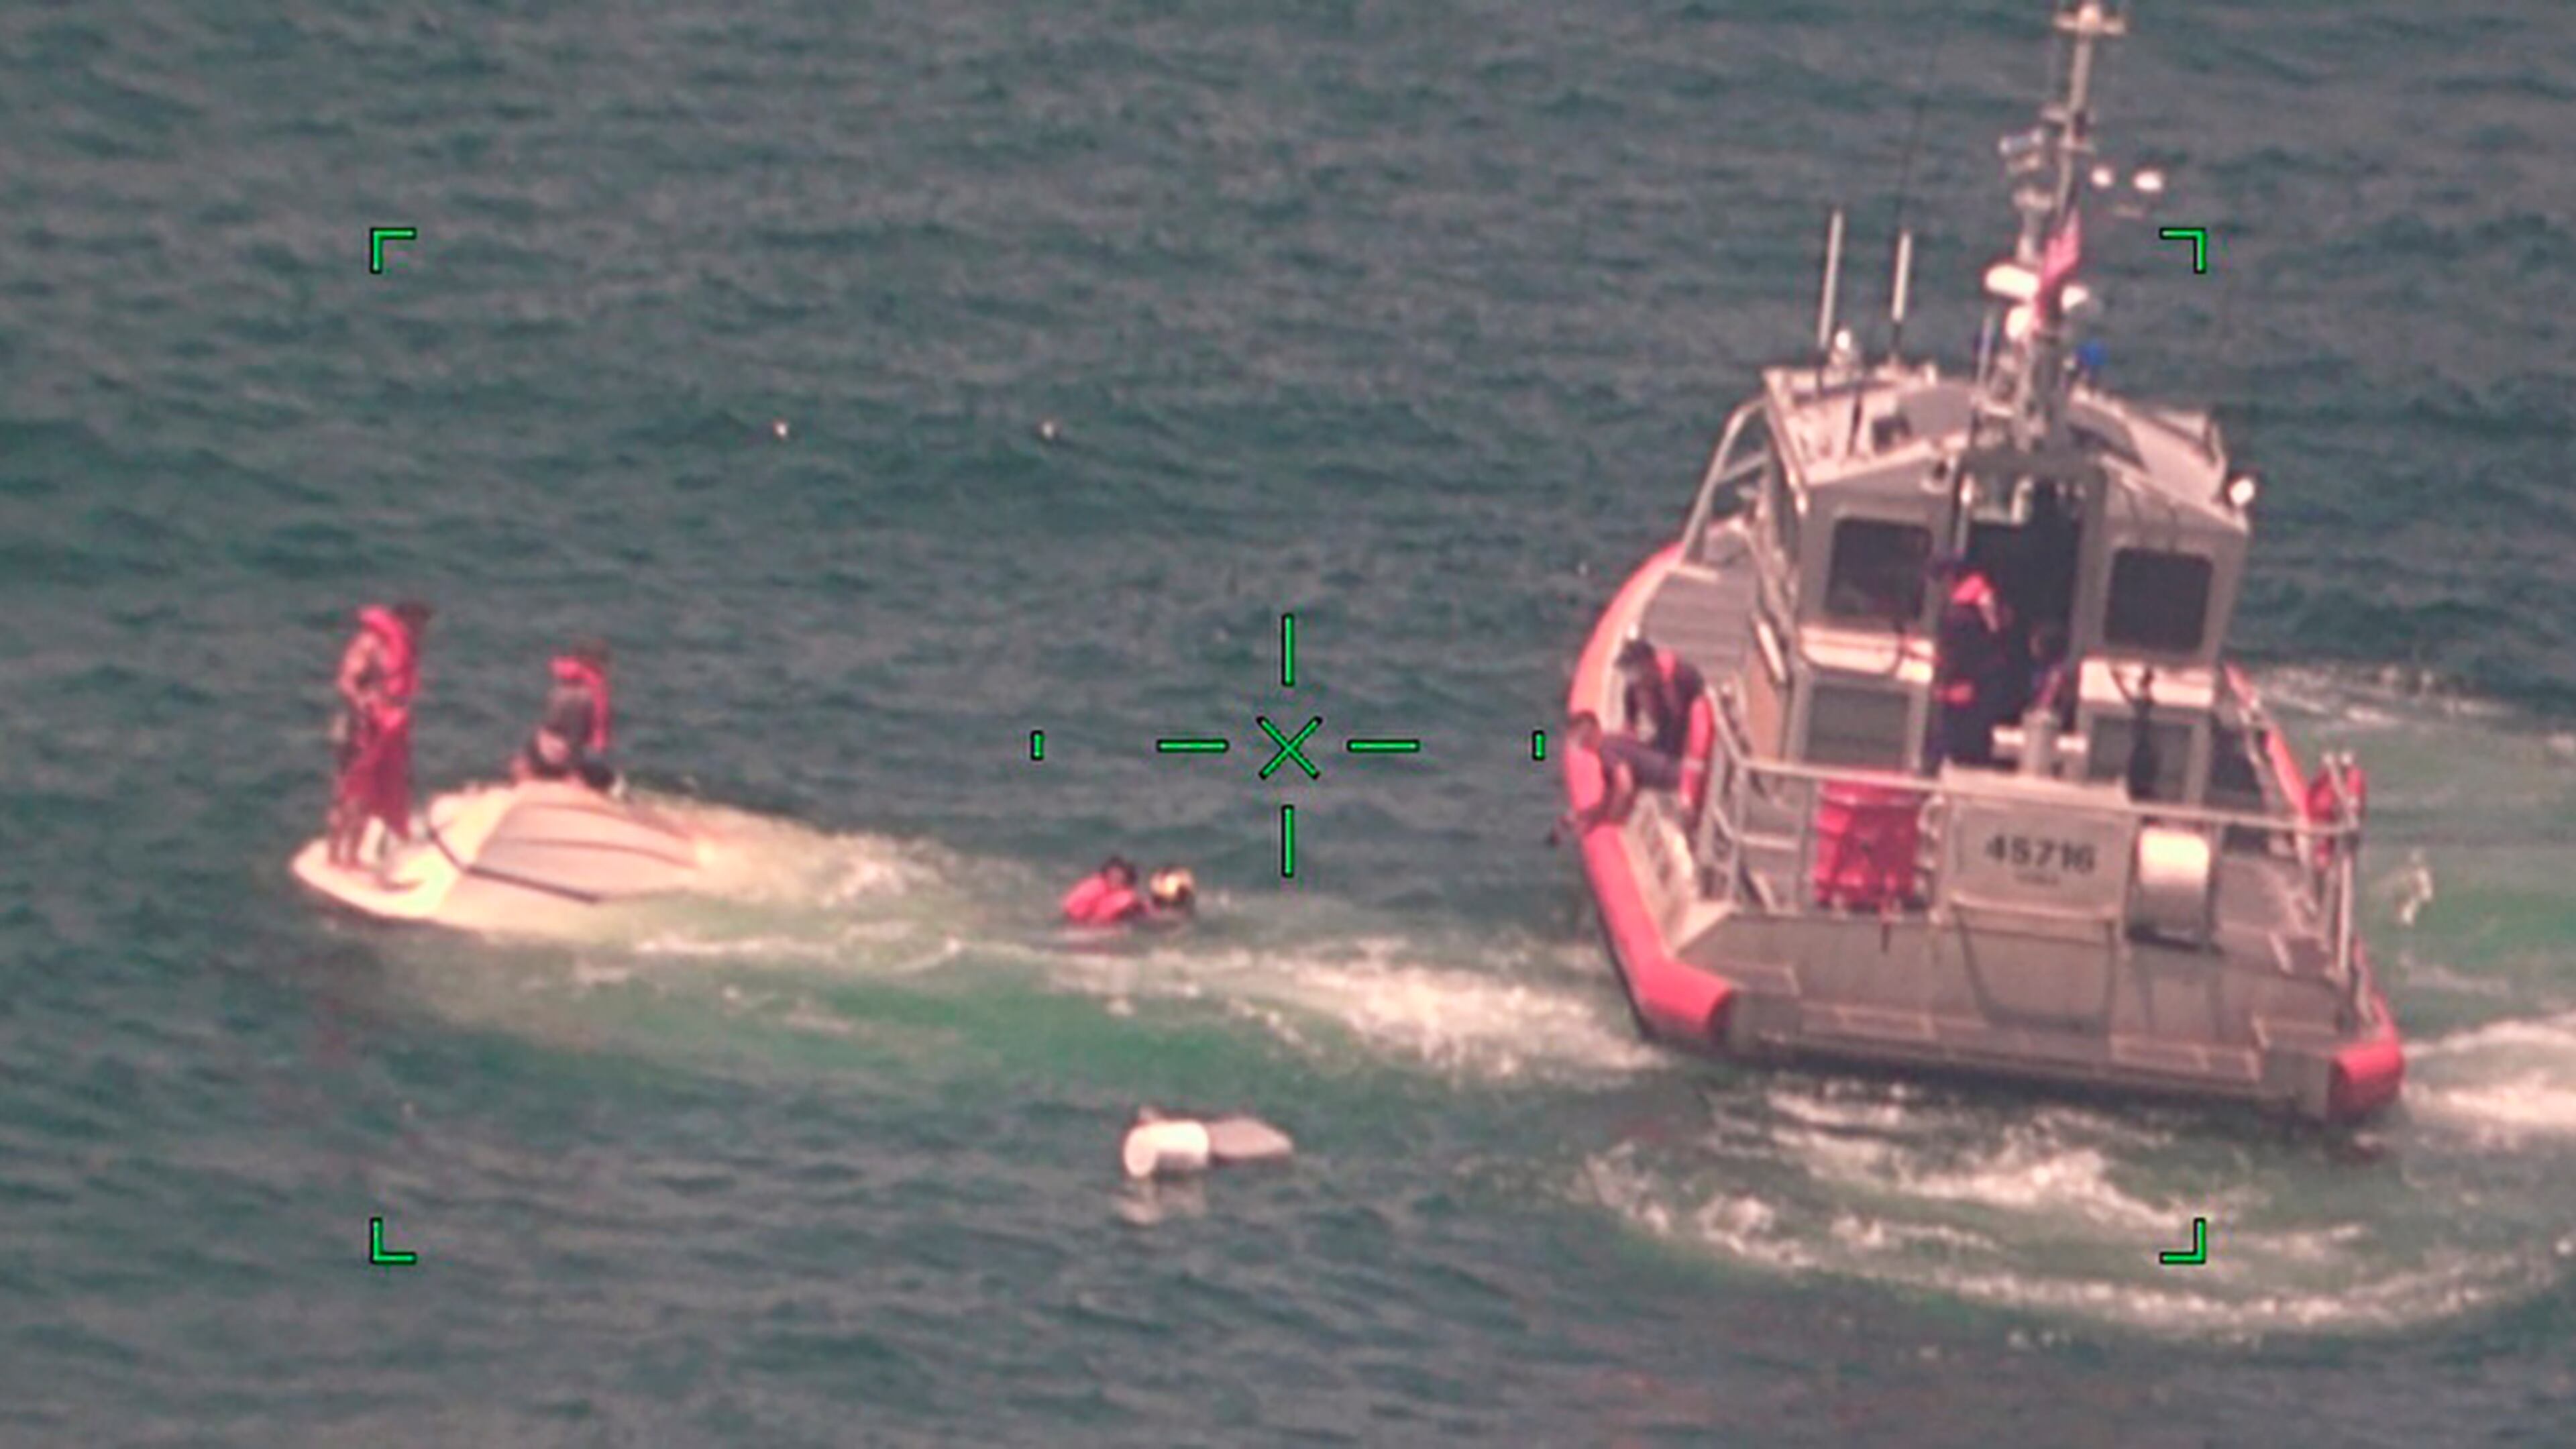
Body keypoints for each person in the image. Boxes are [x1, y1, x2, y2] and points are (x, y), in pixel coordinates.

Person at [328, 601, 432, 869]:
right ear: (403, 619)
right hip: (361, 725)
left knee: (371, 793)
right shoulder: (371, 643)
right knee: (350, 791)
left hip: (388, 727)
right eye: (418, 623)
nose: (421, 630)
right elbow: (347, 680)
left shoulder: (407, 648)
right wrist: (362, 704)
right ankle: (334, 854)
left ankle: (352, 856)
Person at [1613, 632, 1717, 828]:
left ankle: (1689, 804)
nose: (1634, 680)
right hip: (1666, 740)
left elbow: (1696, 746)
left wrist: (1688, 795)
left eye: (1636, 671)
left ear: (1649, 665)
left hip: (1688, 751)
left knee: (1692, 765)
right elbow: (1630, 720)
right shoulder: (1637, 688)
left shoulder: (1682, 682)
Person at [1931, 564, 2012, 768]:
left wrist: (1944, 680)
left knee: (1954, 734)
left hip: (1963, 683)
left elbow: (1956, 654)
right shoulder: (1983, 610)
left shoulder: (1958, 615)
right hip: (1984, 682)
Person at [511, 638, 615, 792]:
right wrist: (572, 771)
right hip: (564, 755)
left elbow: (548, 724)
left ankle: (530, 774)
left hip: (541, 749)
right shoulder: (587, 694)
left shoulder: (561, 686)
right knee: (607, 777)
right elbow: (577, 736)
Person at [1061, 856, 1144, 926]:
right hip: (1082, 924)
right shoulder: (1094, 886)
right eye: (1113, 876)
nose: (1116, 879)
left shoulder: (1128, 898)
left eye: (1120, 877)